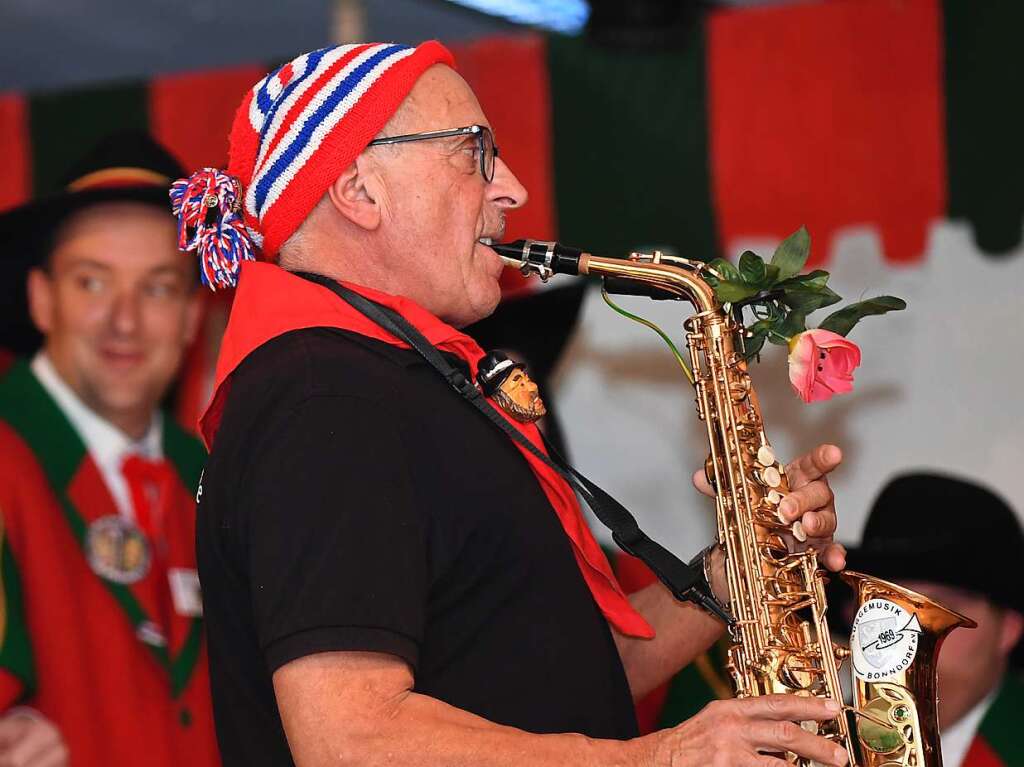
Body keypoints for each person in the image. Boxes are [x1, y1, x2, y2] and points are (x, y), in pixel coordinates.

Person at [190, 41, 851, 767]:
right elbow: (353, 740)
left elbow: (573, 681)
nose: (511, 189)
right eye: (474, 151)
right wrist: (658, 758)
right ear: (358, 188)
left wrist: (742, 570)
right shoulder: (322, 398)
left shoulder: (395, 383)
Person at [0, 133, 221, 766]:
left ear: (189, 318)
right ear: (42, 299)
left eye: (156, 288)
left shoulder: (215, 480)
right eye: (93, 283)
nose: (124, 322)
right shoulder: (8, 458)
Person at [835, 473, 1024, 767]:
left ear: (1009, 630)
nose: (908, 634)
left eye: (941, 607)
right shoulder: (807, 739)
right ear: (854, 617)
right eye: (886, 604)